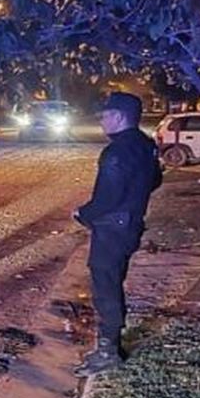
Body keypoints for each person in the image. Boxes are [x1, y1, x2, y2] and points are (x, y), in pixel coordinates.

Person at [73, 91, 162, 376]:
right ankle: (110, 342)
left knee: (105, 285)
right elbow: (155, 179)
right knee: (113, 281)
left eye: (105, 116)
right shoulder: (145, 145)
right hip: (131, 224)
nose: (102, 121)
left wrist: (82, 213)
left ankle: (108, 351)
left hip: (112, 228)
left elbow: (107, 197)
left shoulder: (115, 153)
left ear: (120, 117)